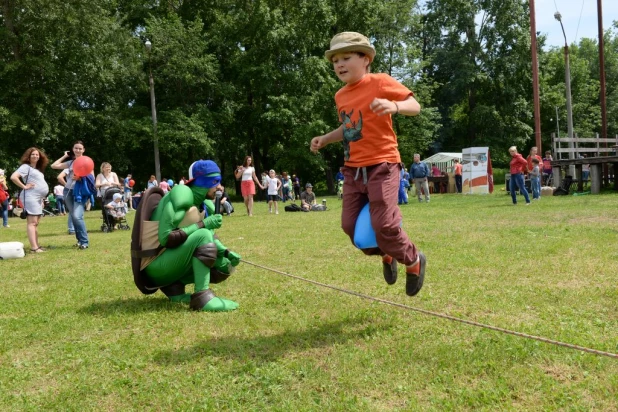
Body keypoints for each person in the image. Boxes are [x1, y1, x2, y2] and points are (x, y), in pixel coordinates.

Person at [309, 31, 426, 296]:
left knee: (384, 225)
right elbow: (349, 127)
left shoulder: (380, 82)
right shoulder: (340, 96)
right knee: (350, 227)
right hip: (352, 170)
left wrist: (393, 107)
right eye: (335, 60)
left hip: (382, 165)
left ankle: (413, 259)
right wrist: (326, 139)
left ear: (365, 59)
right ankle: (387, 252)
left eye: (346, 57)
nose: (339, 64)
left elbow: (414, 105)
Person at [132, 160, 242, 312]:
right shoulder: (182, 195)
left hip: (169, 260)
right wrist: (203, 224)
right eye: (215, 182)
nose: (219, 187)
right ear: (203, 181)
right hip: (155, 263)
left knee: (224, 265)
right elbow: (166, 238)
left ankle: (175, 289)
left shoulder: (204, 204)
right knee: (202, 235)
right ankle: (202, 298)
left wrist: (227, 252)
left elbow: (210, 238)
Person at [51, 140, 92, 249]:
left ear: (83, 150)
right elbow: (53, 166)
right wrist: (65, 156)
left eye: (80, 148)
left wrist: (80, 177)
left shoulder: (87, 161)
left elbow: (92, 179)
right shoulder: (70, 163)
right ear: (73, 149)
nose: (78, 150)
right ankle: (79, 241)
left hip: (80, 193)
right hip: (68, 191)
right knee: (74, 217)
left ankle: (84, 242)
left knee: (77, 216)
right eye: (76, 148)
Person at [10, 147, 50, 252]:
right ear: (28, 156)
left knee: (36, 223)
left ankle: (37, 245)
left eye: (37, 154)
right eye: (33, 154)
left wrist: (41, 199)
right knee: (32, 223)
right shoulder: (25, 167)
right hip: (30, 196)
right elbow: (14, 177)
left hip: (37, 198)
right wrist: (24, 186)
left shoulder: (37, 169)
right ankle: (34, 247)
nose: (35, 156)